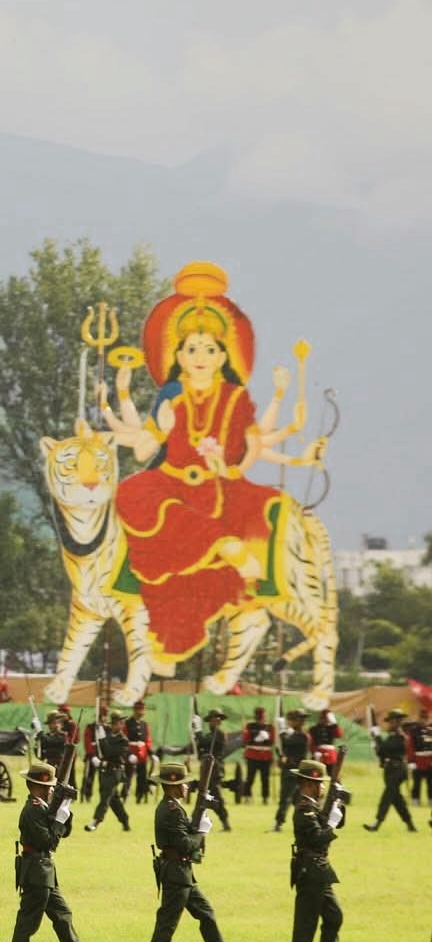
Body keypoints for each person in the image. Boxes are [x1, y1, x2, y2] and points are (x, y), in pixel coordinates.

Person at [100, 262, 322, 686]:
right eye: (190, 350)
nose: (200, 358)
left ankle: (223, 555)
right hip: (169, 479)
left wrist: (232, 463)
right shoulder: (173, 400)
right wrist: (119, 399)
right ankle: (217, 552)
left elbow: (253, 448)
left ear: (224, 356)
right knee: (130, 493)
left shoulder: (237, 399)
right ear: (177, 357)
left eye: (210, 350)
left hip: (215, 487)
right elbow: (145, 445)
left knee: (240, 512)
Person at [146, 761, 247, 942]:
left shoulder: (173, 807)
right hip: (176, 872)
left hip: (183, 873)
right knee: (168, 921)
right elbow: (184, 843)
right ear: (173, 786)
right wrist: (201, 832)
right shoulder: (170, 810)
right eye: (184, 784)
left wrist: (196, 824)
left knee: (206, 913)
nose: (187, 788)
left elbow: (184, 834)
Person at [9, 761, 105, 942]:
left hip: (45, 871)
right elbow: (49, 841)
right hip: (36, 872)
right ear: (38, 787)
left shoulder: (43, 807)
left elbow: (63, 832)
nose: (52, 790)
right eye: (50, 787)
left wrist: (65, 811)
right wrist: (60, 818)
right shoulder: (32, 810)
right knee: (28, 921)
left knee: (63, 915)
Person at [287, 759, 353, 942]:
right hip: (310, 868)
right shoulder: (304, 809)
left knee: (334, 915)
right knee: (307, 920)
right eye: (320, 783)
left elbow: (336, 822)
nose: (323, 787)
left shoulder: (314, 807)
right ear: (308, 783)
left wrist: (337, 804)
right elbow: (317, 837)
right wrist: (331, 822)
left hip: (320, 869)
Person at [365, 708, 416, 832]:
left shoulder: (400, 736)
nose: (390, 724)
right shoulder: (392, 736)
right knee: (396, 799)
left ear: (398, 722)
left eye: (393, 721)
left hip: (397, 770)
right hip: (390, 770)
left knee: (387, 796)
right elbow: (382, 752)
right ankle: (410, 824)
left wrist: (377, 736)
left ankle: (377, 823)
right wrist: (376, 740)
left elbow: (385, 749)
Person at [85, 719, 133, 832]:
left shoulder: (123, 740)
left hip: (115, 772)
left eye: (120, 723)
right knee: (113, 799)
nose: (118, 725)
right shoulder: (108, 736)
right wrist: (95, 757)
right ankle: (125, 820)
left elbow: (110, 752)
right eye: (115, 723)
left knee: (105, 796)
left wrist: (102, 739)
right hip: (105, 771)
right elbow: (100, 751)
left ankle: (95, 821)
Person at [194, 709, 233, 831]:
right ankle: (195, 822)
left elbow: (205, 742)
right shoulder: (210, 734)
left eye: (218, 718)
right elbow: (201, 746)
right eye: (214, 718)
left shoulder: (219, 734)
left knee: (214, 798)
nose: (217, 720)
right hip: (206, 770)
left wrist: (198, 731)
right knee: (203, 796)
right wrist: (196, 733)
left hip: (215, 770)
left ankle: (225, 822)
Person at [274, 710, 313, 831]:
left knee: (286, 798)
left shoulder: (302, 736)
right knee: (297, 800)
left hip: (294, 771)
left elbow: (287, 742)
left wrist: (282, 731)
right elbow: (283, 749)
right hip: (289, 770)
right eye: (297, 719)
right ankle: (305, 823)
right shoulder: (292, 734)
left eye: (301, 719)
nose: (301, 721)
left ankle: (279, 824)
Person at [239, 708, 274, 805]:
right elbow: (245, 740)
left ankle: (265, 798)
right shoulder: (250, 726)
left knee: (265, 779)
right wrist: (255, 738)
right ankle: (247, 796)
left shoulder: (270, 727)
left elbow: (272, 741)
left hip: (265, 757)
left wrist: (267, 738)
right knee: (250, 778)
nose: (260, 719)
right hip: (252, 755)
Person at [123, 703, 154, 803]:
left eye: (142, 710)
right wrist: (129, 753)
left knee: (142, 777)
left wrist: (150, 752)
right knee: (128, 776)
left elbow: (148, 739)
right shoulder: (127, 723)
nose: (141, 712)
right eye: (139, 710)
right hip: (131, 752)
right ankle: (125, 795)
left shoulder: (144, 724)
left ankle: (139, 796)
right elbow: (124, 739)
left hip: (142, 753)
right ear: (135, 710)